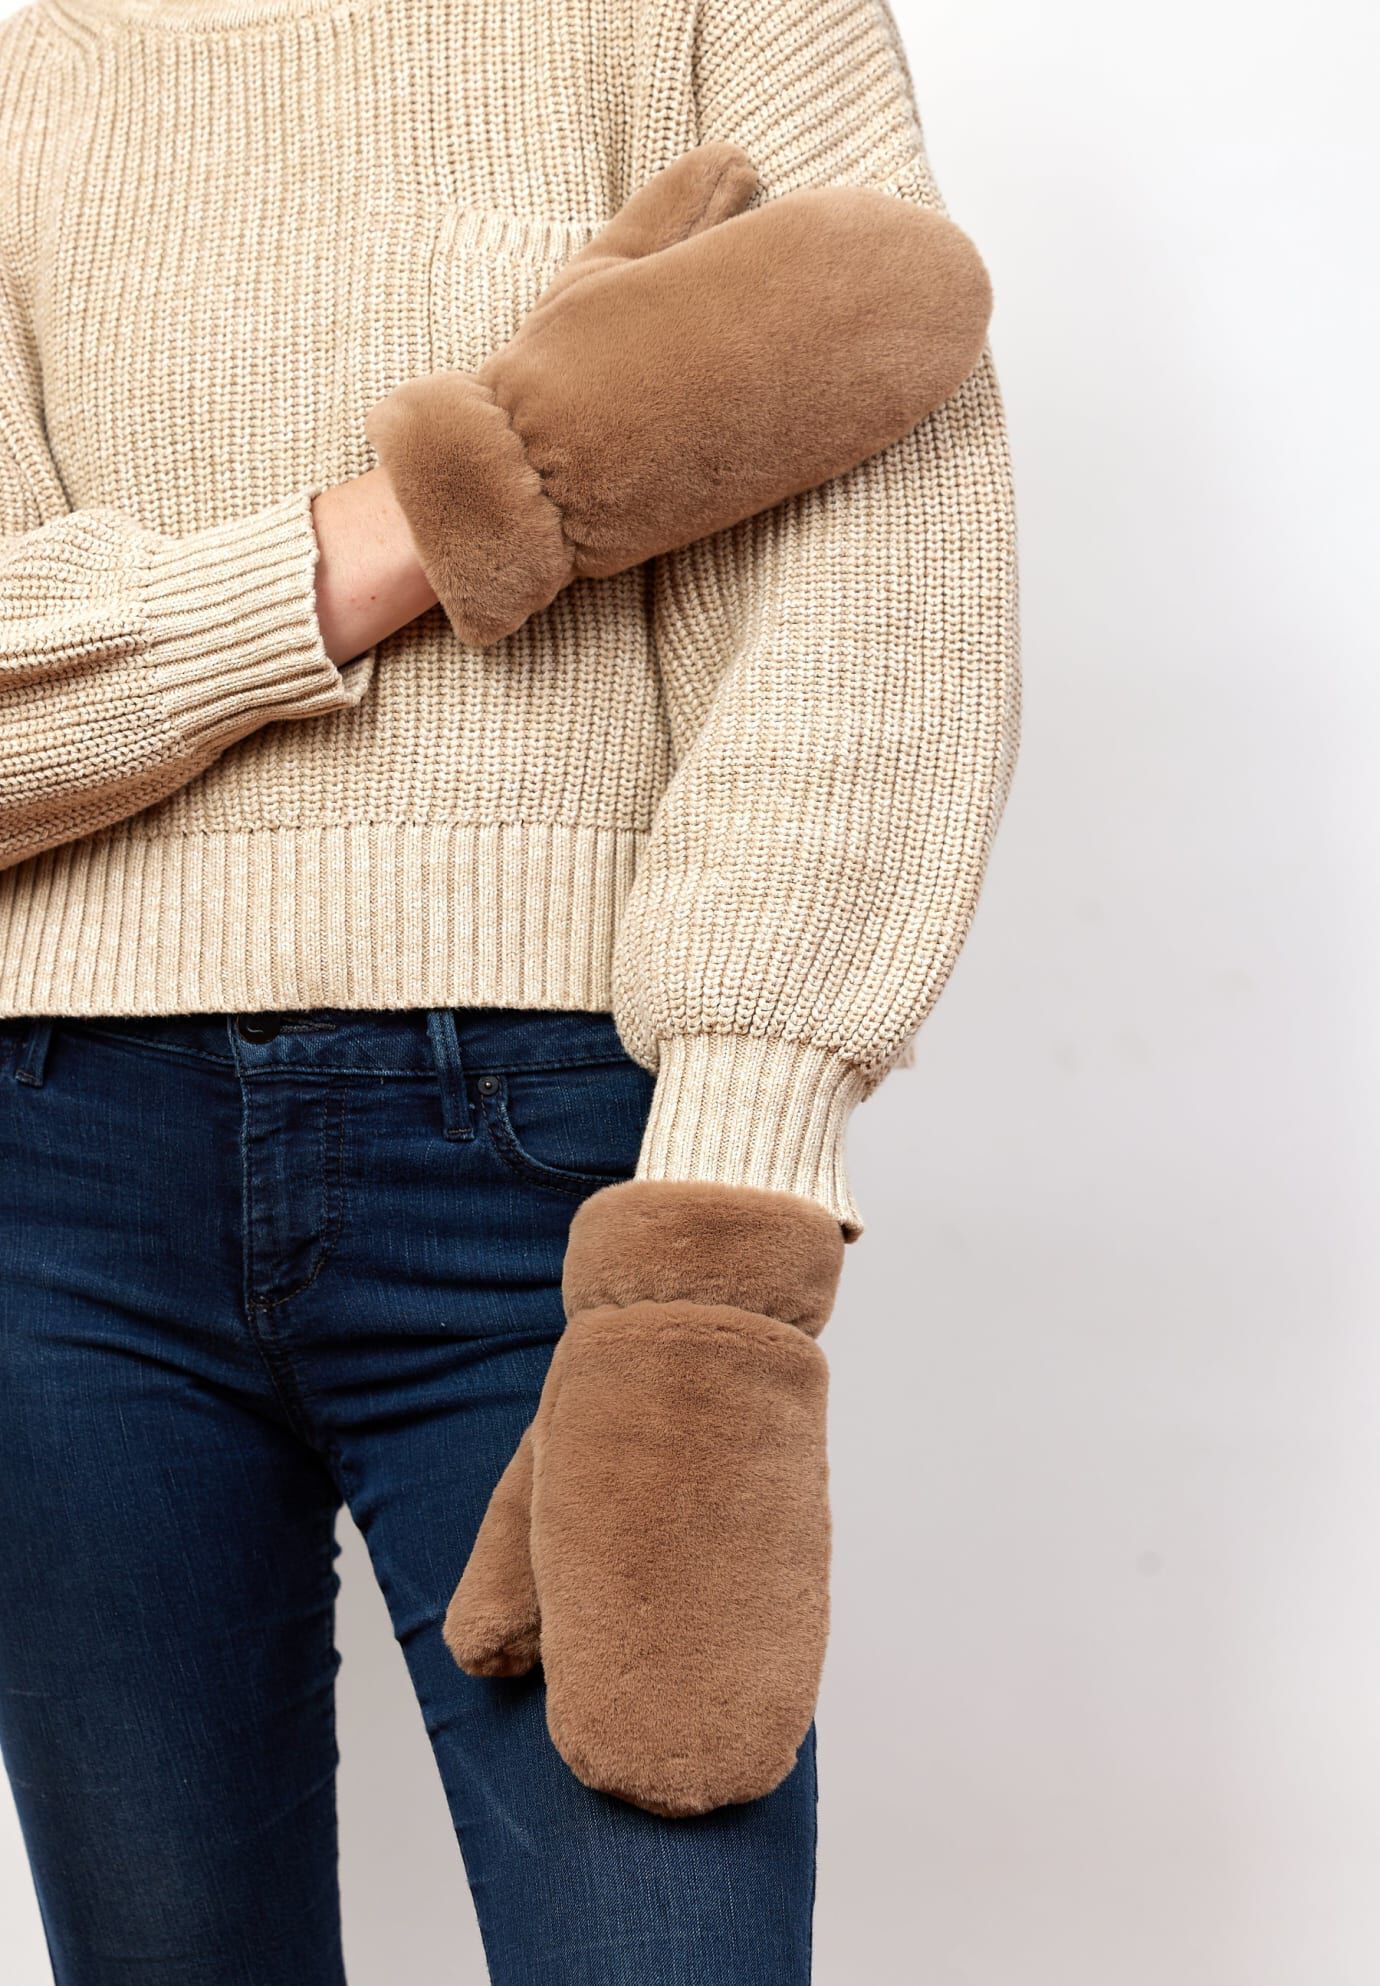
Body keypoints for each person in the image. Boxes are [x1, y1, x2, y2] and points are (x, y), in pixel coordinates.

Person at [0, 0, 1019, 1979]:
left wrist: (725, 1213)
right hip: (53, 1176)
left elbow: (884, 534)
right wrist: (453, 509)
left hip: (553, 1156)